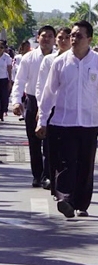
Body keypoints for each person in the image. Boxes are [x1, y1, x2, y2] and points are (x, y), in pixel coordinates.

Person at [36, 21, 98, 218]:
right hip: (63, 122)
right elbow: (48, 93)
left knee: (85, 164)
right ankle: (65, 199)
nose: (73, 39)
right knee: (65, 163)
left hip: (89, 123)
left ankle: (81, 204)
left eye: (78, 36)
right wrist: (42, 120)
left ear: (89, 39)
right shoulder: (60, 62)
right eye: (72, 35)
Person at [11, 25, 56, 188]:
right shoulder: (28, 58)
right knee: (34, 141)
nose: (46, 39)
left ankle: (48, 175)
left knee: (50, 142)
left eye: (50, 36)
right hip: (32, 101)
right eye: (44, 36)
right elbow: (20, 81)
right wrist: (16, 101)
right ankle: (37, 175)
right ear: (38, 38)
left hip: (52, 103)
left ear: (54, 39)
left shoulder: (59, 58)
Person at [35, 27, 73, 196]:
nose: (63, 40)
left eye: (67, 37)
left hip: (68, 109)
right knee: (49, 147)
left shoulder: (76, 60)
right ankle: (49, 177)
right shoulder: (49, 60)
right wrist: (41, 108)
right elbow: (42, 86)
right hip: (50, 108)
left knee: (68, 148)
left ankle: (65, 182)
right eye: (60, 38)